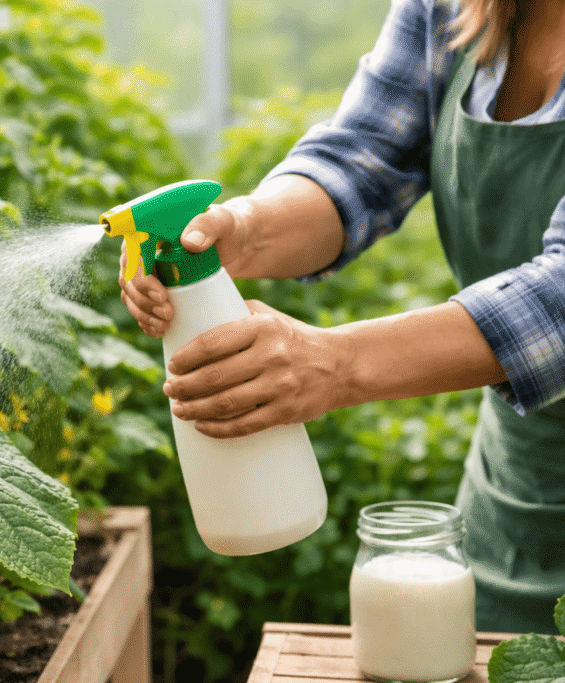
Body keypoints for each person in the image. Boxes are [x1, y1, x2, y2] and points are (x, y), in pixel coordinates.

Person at [120, 0, 565, 635]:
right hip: (510, 509)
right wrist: (241, 231)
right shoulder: (452, 8)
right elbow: (365, 155)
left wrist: (334, 364)